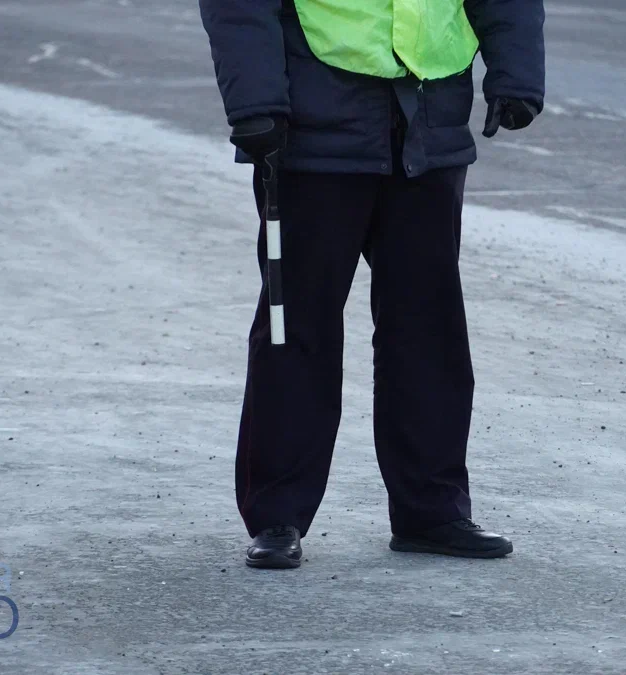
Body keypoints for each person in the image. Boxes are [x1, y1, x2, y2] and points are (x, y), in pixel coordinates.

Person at [199, 0, 546, 569]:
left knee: (429, 328)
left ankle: (431, 510)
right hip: (313, 120)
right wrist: (256, 102)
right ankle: (277, 514)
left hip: (429, 118)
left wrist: (517, 73)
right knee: (296, 325)